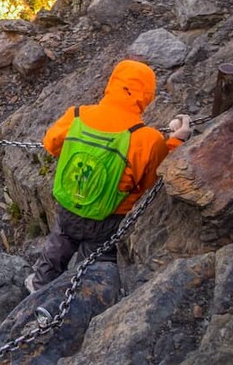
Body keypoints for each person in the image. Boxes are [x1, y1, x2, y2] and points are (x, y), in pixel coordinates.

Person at [26, 59, 187, 293]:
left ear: (111, 84)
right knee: (92, 264)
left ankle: (39, 285)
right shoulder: (147, 138)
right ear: (147, 96)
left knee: (59, 243)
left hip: (69, 203)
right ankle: (79, 296)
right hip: (109, 216)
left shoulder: (77, 115)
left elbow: (51, 144)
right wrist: (176, 140)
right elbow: (152, 180)